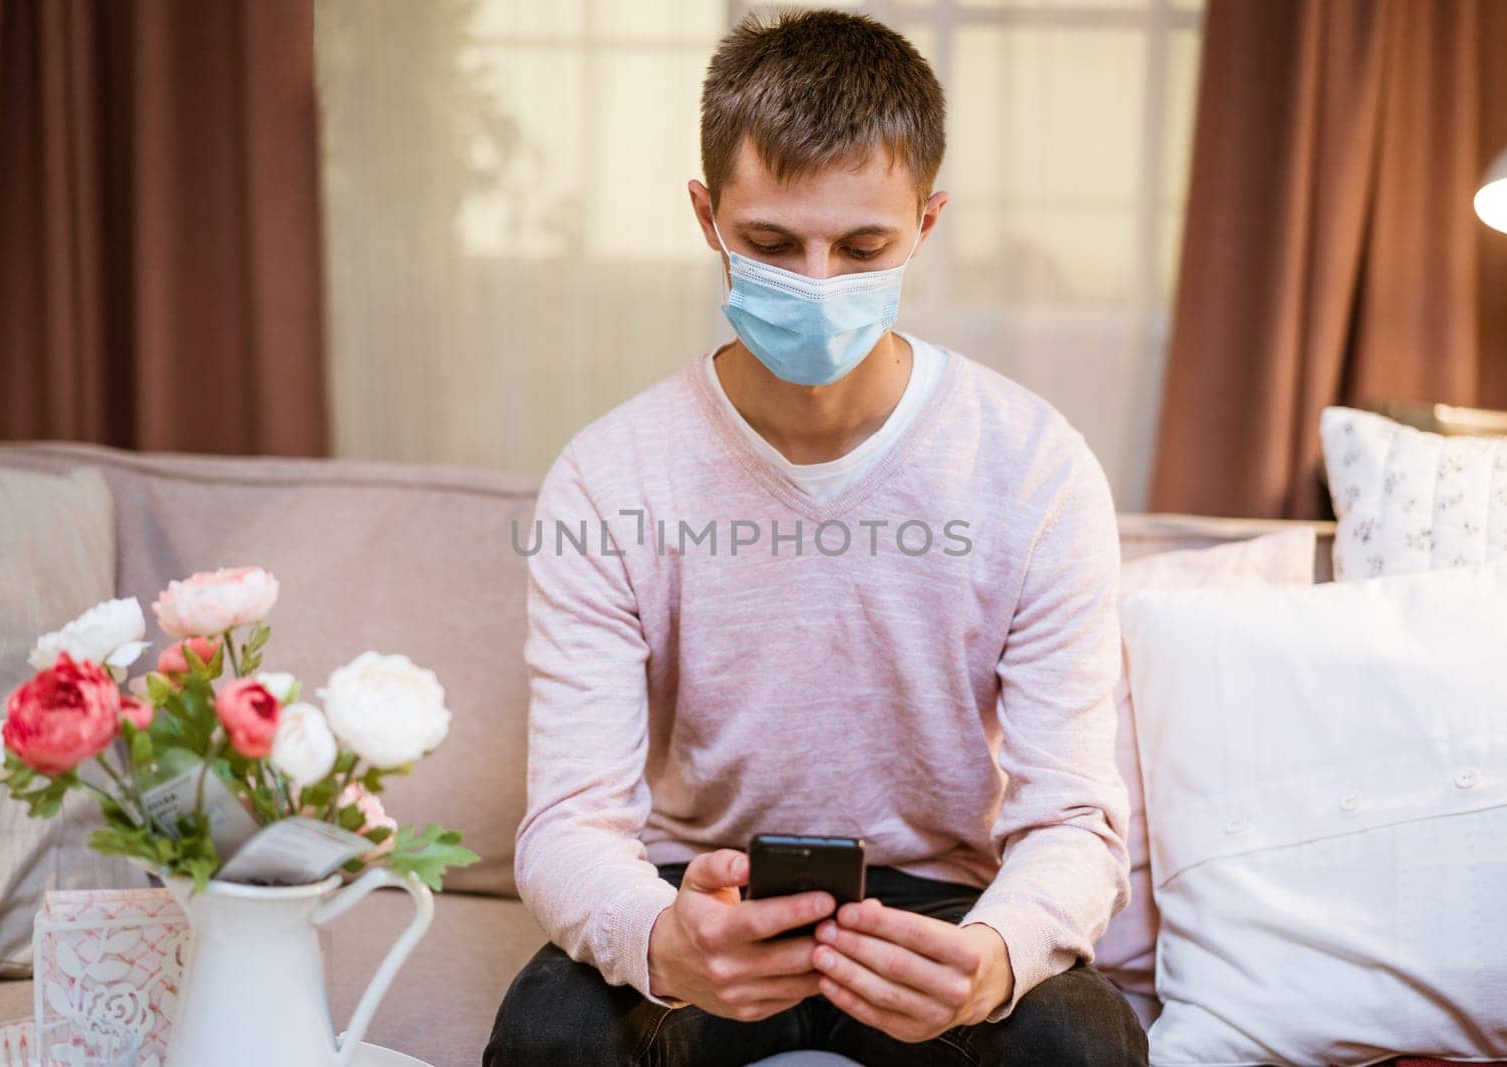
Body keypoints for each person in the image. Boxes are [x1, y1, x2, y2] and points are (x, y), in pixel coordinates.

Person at [485, 9, 1146, 1065]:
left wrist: (993, 955)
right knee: (551, 1030)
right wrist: (662, 937)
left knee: (1081, 1041)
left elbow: (1073, 819)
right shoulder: (610, 476)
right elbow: (569, 822)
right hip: (709, 893)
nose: (820, 283)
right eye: (773, 244)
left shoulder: (1036, 467)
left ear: (927, 223)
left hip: (940, 910)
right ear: (706, 215)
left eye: (863, 245)